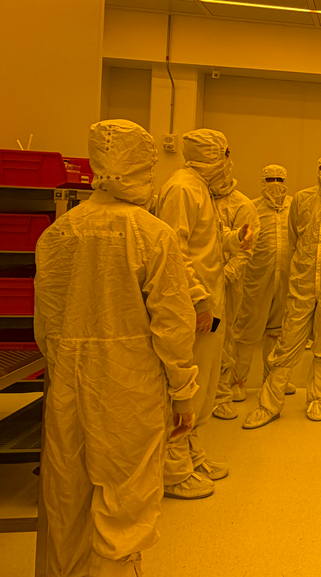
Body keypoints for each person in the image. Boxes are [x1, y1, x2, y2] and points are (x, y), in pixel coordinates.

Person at [34, 120, 199, 576]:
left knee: (66, 496)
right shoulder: (152, 234)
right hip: (131, 386)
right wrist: (183, 392)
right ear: (141, 166)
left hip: (67, 383)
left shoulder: (58, 233)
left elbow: (45, 325)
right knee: (125, 501)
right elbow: (172, 326)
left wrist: (67, 366)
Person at [156, 128, 252, 499]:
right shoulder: (183, 189)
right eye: (224, 154)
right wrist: (197, 300)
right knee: (188, 386)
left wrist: (233, 240)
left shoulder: (201, 189)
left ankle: (193, 455)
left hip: (209, 301)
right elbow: (175, 252)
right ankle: (174, 470)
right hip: (194, 305)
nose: (229, 162)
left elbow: (204, 245)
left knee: (206, 384)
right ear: (210, 156)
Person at [243, 154, 321, 428]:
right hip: (302, 282)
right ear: (317, 171)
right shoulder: (301, 200)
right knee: (288, 339)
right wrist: (305, 267)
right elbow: (294, 238)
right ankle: (269, 404)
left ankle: (318, 398)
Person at [230, 165, 296, 403]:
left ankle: (272, 381)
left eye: (279, 179)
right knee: (247, 331)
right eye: (270, 179)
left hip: (286, 277)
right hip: (256, 279)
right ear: (262, 181)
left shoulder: (294, 207)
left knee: (278, 332)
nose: (275, 183)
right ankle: (238, 382)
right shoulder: (252, 207)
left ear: (286, 181)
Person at [211, 175, 260, 420]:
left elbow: (245, 248)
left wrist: (224, 275)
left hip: (226, 284)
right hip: (195, 280)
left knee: (223, 334)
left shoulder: (242, 205)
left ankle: (221, 394)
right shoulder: (198, 197)